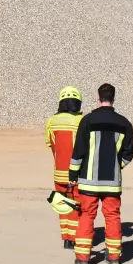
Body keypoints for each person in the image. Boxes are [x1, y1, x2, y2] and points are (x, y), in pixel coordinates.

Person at [69, 83, 133, 264]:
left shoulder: (87, 120)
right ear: (113, 98)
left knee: (86, 215)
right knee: (112, 216)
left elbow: (79, 150)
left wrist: (73, 174)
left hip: (88, 180)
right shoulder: (124, 123)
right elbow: (129, 152)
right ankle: (114, 256)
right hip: (112, 181)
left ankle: (83, 257)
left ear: (97, 98)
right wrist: (118, 166)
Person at [44, 86, 84, 250]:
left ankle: (66, 238)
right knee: (77, 204)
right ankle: (74, 238)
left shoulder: (52, 121)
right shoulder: (80, 120)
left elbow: (50, 144)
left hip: (58, 172)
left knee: (62, 204)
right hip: (77, 172)